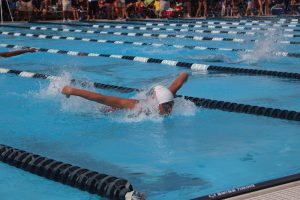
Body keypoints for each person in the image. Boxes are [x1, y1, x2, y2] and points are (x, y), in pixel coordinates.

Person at [61, 72, 189, 115]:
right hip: (111, 110)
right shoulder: (138, 106)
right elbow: (102, 98)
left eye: (170, 105)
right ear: (157, 104)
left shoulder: (167, 97)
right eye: (166, 106)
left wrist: (185, 74)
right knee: (104, 109)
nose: (170, 109)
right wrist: (72, 91)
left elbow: (181, 78)